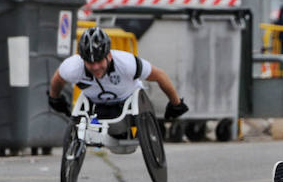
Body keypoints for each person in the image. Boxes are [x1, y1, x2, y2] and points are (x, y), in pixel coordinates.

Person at [47, 27, 188, 133]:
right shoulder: (72, 67)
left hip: (128, 104)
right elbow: (58, 79)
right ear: (82, 59)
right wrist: (55, 99)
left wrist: (175, 103)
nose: (95, 67)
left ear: (109, 55)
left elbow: (159, 75)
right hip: (96, 107)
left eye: (99, 61)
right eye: (90, 62)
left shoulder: (127, 63)